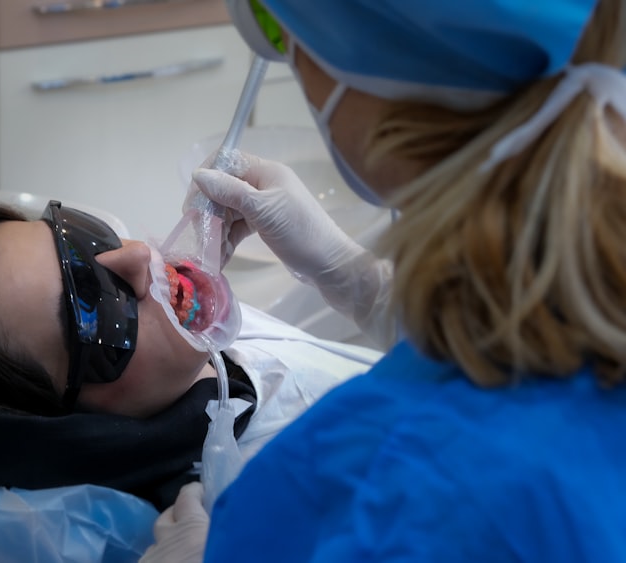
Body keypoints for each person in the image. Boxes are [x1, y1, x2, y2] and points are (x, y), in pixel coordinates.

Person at [141, 0, 626, 561]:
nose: (138, 259)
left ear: (384, 64)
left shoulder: (404, 490)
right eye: (86, 305)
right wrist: (360, 283)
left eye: (281, 28)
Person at [0, 199, 381, 562]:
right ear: (74, 438)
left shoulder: (184, 372)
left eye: (84, 241)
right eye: (96, 313)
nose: (141, 257)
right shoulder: (245, 523)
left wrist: (369, 287)